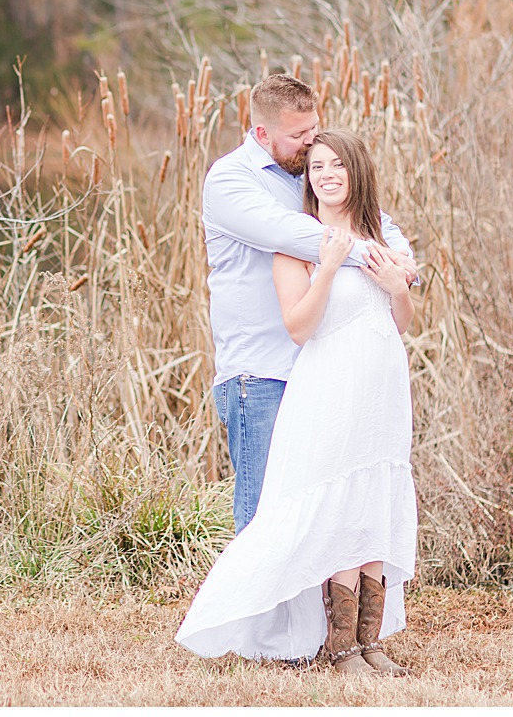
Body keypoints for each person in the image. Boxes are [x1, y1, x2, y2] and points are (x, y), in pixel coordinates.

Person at [177, 128, 417, 675]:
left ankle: (371, 642)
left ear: (358, 170)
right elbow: (298, 328)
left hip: (382, 385)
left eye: (337, 165)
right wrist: (328, 267)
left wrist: (398, 287)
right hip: (330, 382)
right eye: (316, 167)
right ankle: (340, 648)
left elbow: (400, 322)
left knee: (373, 498)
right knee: (337, 501)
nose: (327, 175)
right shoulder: (297, 241)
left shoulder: (384, 238)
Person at [202, 75, 414, 532]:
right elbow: (292, 233)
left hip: (316, 374)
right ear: (261, 134)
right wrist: (370, 255)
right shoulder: (230, 180)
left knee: (312, 517)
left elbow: (380, 223)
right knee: (263, 519)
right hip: (259, 373)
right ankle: (249, 606)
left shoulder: (309, 172)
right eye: (298, 135)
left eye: (314, 129)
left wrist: (403, 264)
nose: (310, 142)